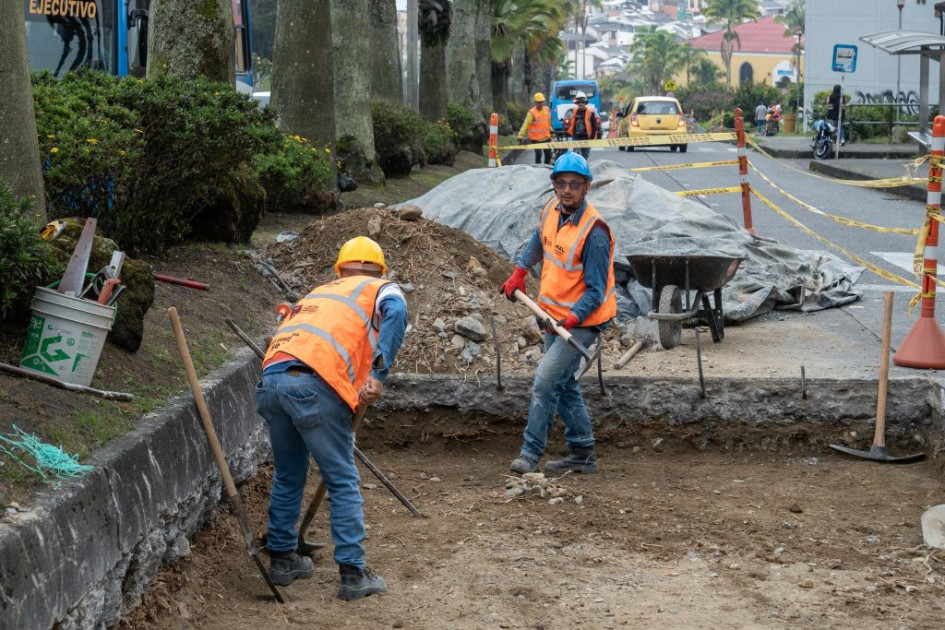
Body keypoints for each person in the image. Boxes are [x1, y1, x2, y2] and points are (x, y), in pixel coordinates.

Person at [256, 236, 407, 600]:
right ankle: (353, 574)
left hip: (271, 381)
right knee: (342, 479)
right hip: (314, 386)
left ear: (340, 269)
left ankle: (283, 559)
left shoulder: (320, 293)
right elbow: (397, 313)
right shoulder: (381, 288)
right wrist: (378, 374)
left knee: (289, 473)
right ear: (379, 269)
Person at [499, 152, 617, 476]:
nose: (567, 190)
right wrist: (520, 271)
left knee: (545, 382)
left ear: (586, 186)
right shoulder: (552, 209)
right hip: (554, 315)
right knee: (563, 385)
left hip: (583, 320)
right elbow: (539, 240)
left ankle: (530, 453)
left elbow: (595, 291)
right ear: (553, 184)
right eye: (561, 183)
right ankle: (582, 452)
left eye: (574, 184)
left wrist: (574, 318)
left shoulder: (594, 232)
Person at [517, 92, 553, 165]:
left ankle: (546, 167)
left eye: (541, 102)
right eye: (538, 102)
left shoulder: (546, 109)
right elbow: (525, 124)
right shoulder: (532, 112)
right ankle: (538, 168)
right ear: (535, 102)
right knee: (538, 155)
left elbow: (548, 121)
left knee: (548, 155)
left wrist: (550, 129)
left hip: (546, 137)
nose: (540, 104)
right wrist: (520, 135)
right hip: (536, 139)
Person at [567, 91, 600, 160]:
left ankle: (583, 166)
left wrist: (592, 138)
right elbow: (572, 123)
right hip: (576, 137)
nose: (580, 104)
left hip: (586, 137)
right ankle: (577, 166)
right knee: (576, 155)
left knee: (585, 155)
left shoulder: (590, 112)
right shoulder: (575, 111)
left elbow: (594, 126)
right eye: (579, 102)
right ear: (576, 103)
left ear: (585, 103)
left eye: (582, 102)